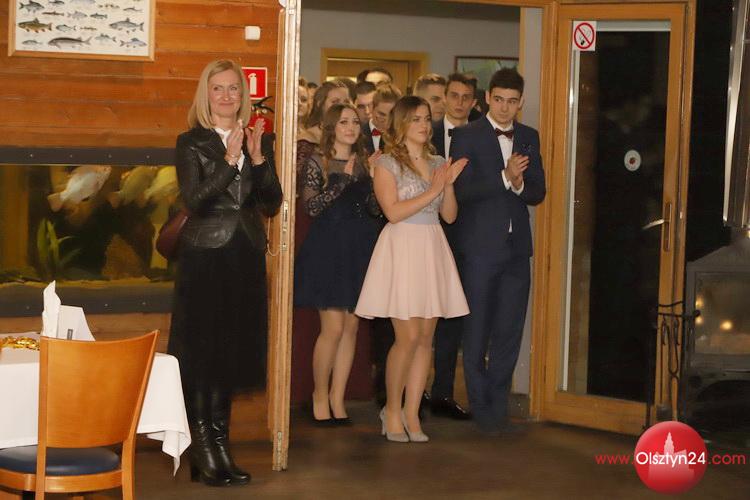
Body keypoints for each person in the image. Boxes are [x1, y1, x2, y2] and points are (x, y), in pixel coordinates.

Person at [168, 59, 282, 486]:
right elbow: (194, 199)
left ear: (243, 94)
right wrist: (230, 159)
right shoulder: (190, 142)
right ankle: (203, 450)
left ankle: (219, 448)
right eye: (218, 88)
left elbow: (271, 202)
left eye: (234, 88)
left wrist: (257, 158)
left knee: (229, 355)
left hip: (244, 254)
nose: (227, 95)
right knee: (203, 355)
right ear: (206, 94)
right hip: (205, 256)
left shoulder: (258, 138)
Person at [355, 96, 469, 443]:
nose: (423, 124)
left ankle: (411, 412)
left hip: (431, 245)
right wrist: (433, 188)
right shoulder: (387, 163)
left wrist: (447, 184)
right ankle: (391, 410)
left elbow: (450, 216)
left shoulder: (438, 161)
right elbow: (392, 212)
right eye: (416, 118)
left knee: (424, 340)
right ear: (402, 123)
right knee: (406, 338)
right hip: (402, 245)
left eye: (426, 118)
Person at [450, 68, 546, 435]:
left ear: (521, 102)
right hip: (479, 249)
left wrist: (519, 184)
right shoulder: (466, 135)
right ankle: (482, 410)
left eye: (512, 101)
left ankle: (498, 407)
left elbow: (538, 191)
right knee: (476, 330)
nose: (505, 107)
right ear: (488, 98)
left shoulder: (529, 136)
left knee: (509, 331)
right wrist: (505, 178)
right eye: (499, 99)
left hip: (517, 249)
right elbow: (462, 191)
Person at [294, 104, 382, 424]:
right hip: (328, 250)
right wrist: (341, 181)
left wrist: (374, 179)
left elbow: (375, 209)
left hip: (359, 249)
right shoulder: (318, 161)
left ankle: (337, 397)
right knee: (332, 328)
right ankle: (319, 395)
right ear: (331, 126)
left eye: (355, 122)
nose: (350, 127)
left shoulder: (364, 162)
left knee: (352, 328)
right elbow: (312, 207)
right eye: (343, 122)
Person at [428, 73, 477, 420]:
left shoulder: (481, 137)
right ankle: (406, 393)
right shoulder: (425, 131)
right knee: (415, 314)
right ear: (444, 97)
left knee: (452, 317)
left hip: (464, 235)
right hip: (423, 231)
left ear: (474, 102)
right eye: (454, 95)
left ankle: (442, 393)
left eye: (466, 97)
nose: (459, 102)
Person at [362, 83, 402, 154]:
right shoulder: (358, 134)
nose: (387, 121)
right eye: (382, 114)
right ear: (371, 107)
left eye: (392, 115)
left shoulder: (403, 137)